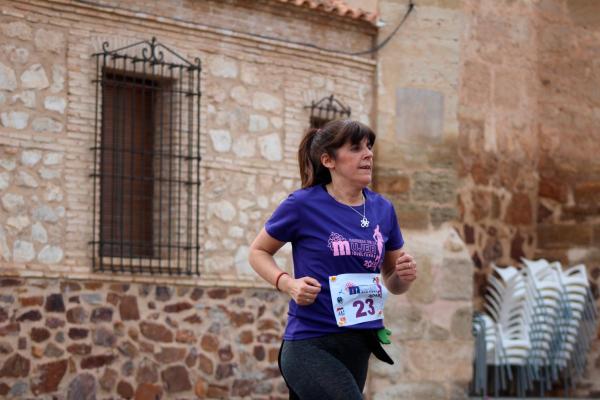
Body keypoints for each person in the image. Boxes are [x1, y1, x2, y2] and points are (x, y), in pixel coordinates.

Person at [248, 119, 417, 400]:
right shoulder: (303, 204)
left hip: (358, 344)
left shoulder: (383, 209)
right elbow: (258, 251)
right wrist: (287, 284)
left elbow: (393, 281)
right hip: (310, 344)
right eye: (356, 148)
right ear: (329, 160)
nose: (368, 154)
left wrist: (403, 276)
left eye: (369, 147)